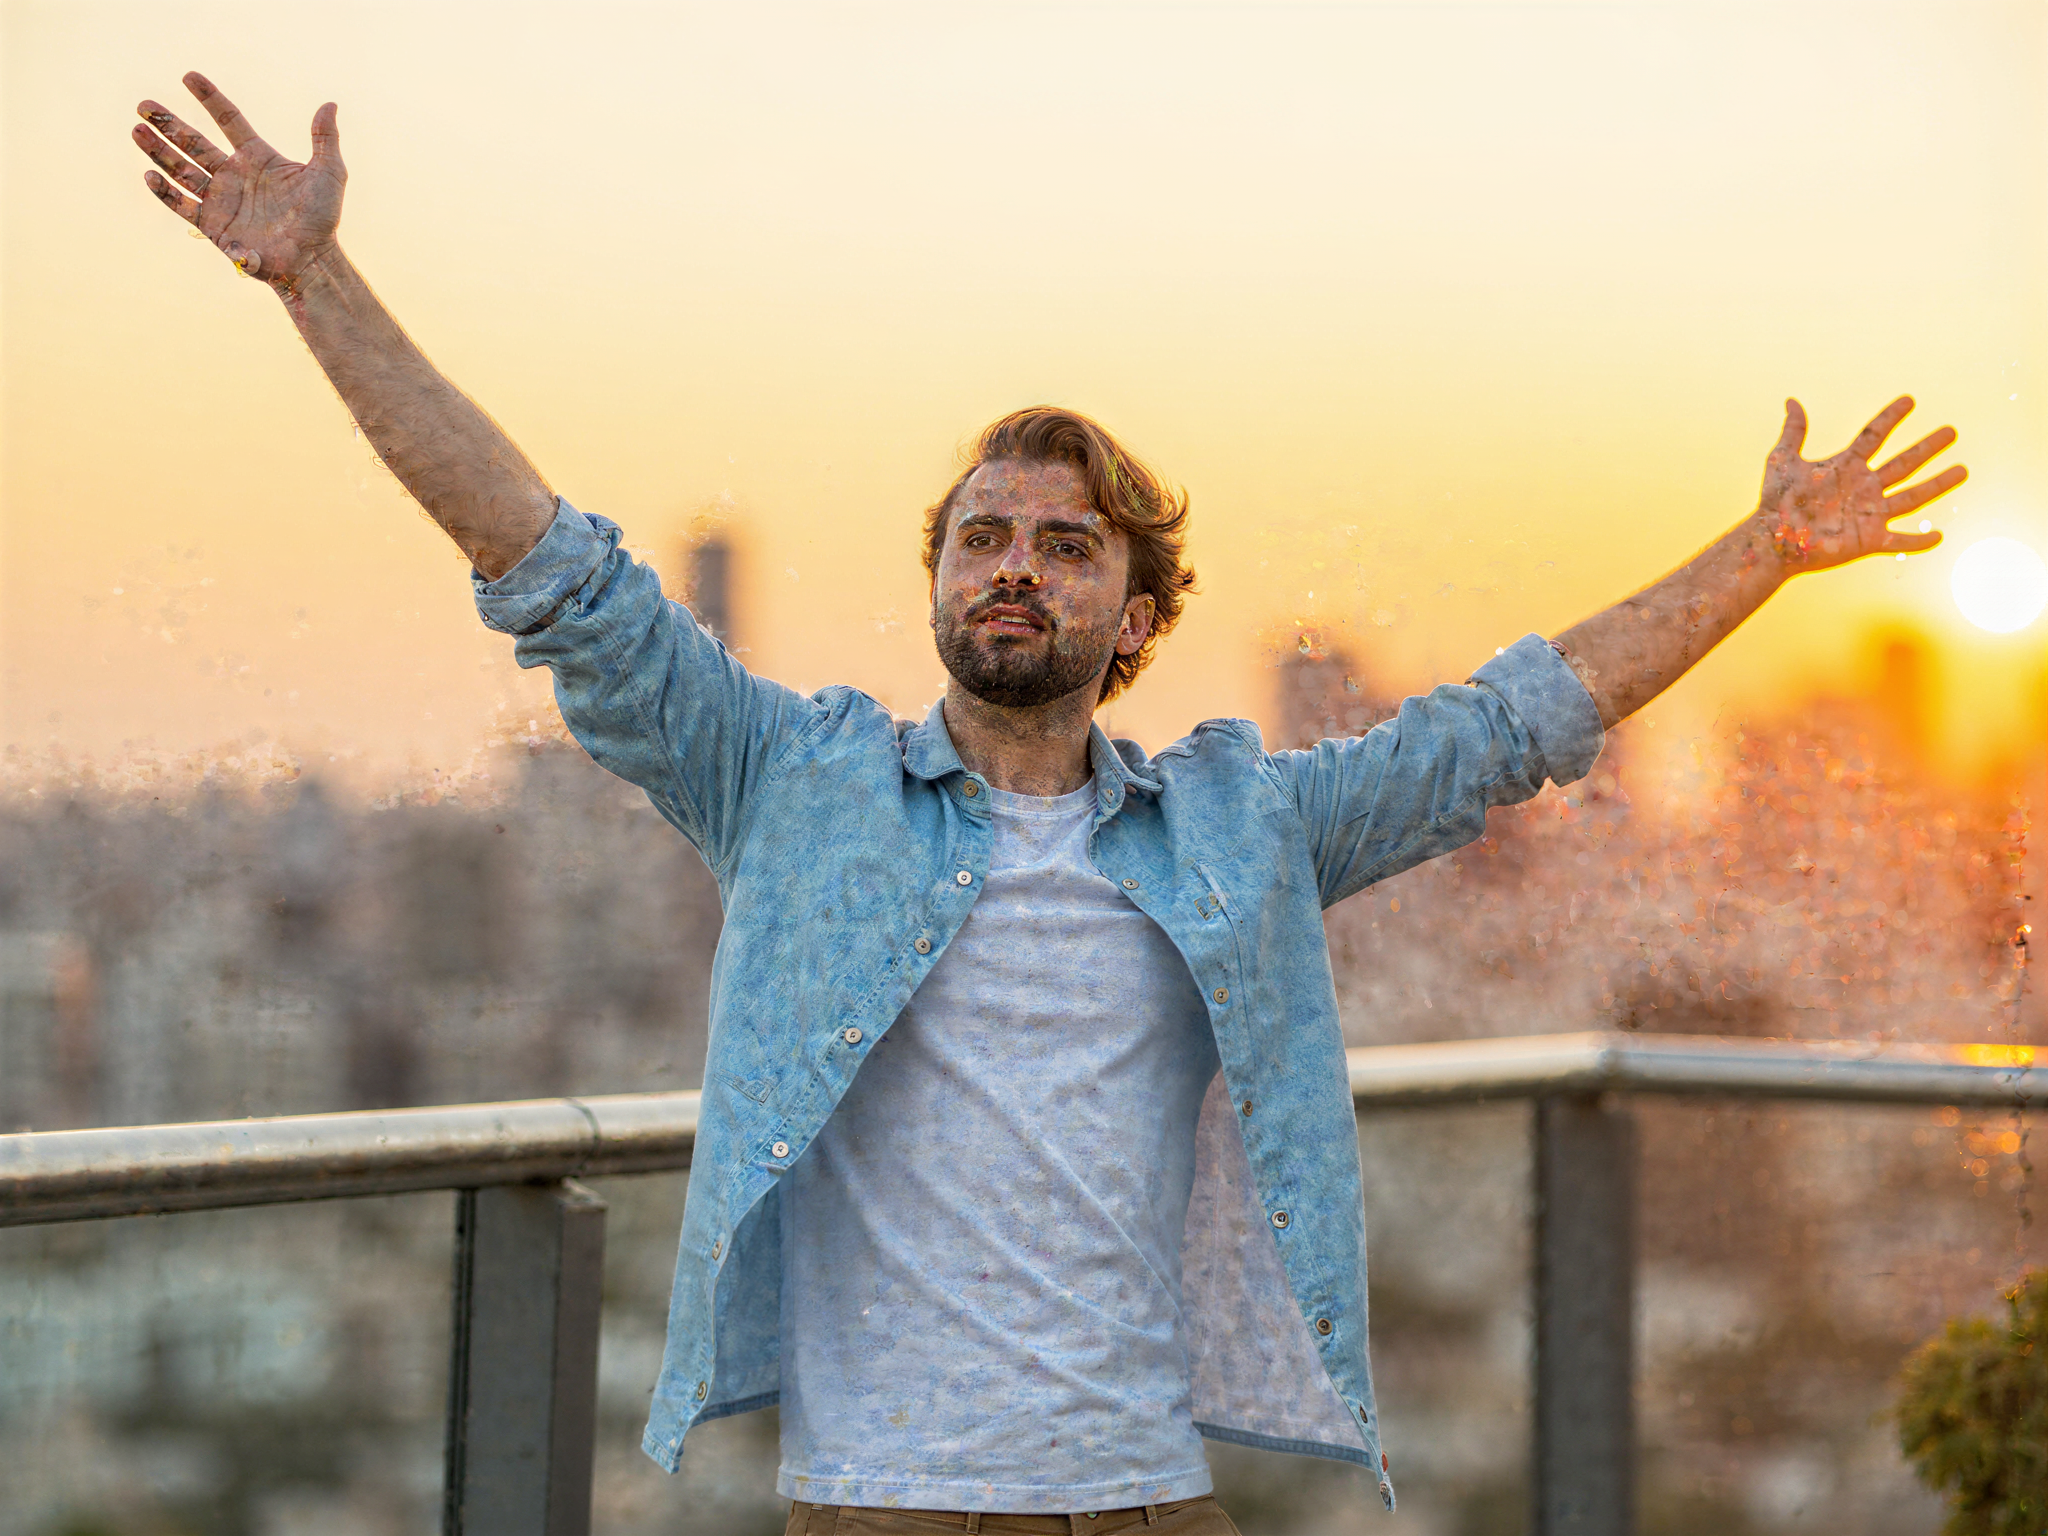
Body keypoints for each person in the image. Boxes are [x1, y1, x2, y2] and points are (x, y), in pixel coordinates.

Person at [132, 75, 1967, 1534]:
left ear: (1138, 616)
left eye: (1067, 548)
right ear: (933, 580)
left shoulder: (1245, 829)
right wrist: (317, 282)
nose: (1017, 569)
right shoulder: (789, 781)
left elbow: (1512, 724)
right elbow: (545, 559)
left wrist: (1768, 551)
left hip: (1150, 1505)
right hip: (876, 1513)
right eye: (982, 538)